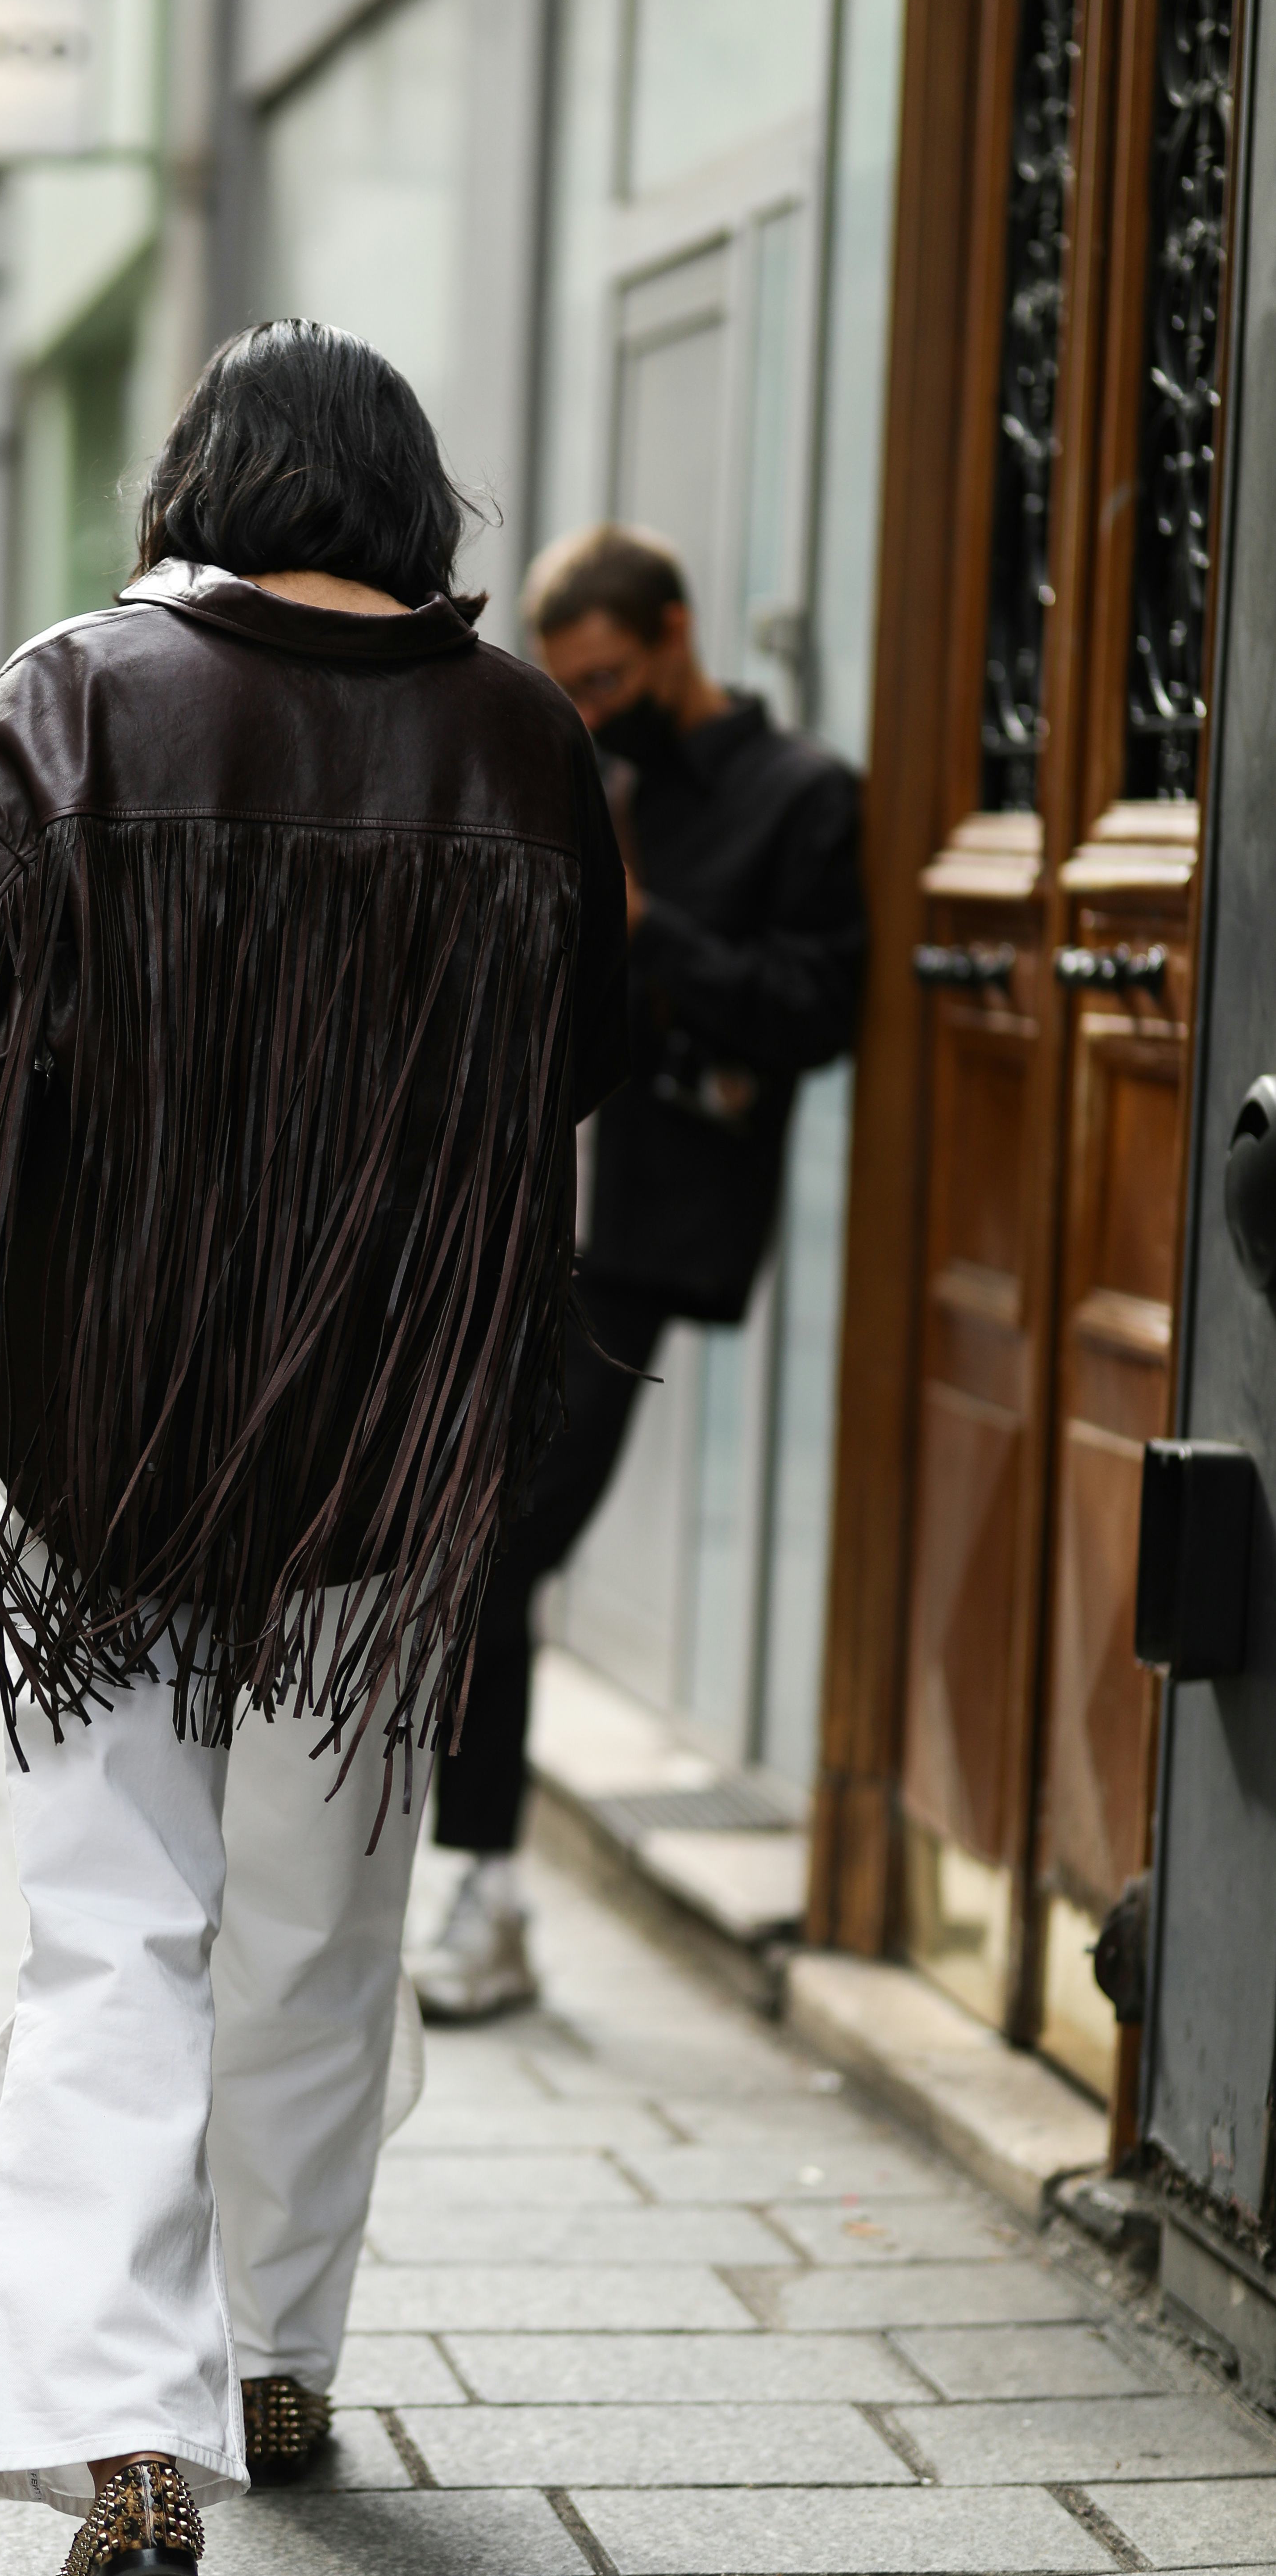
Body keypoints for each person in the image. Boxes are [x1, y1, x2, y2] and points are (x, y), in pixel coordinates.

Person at [0, 321, 628, 2576]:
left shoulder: (82, 687)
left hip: (105, 1407)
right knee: (330, 1909)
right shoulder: (532, 741)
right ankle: (278, 2367)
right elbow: (584, 1069)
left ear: (201, 481)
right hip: (389, 1426)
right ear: (408, 507)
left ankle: (125, 2436)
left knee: (110, 1917)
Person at [412, 524, 867, 2021]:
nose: (589, 705)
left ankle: (476, 1892)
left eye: (606, 674)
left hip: (640, 1235)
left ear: (673, 632)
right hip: (509, 1211)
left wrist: (646, 932)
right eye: (572, 684)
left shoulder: (802, 795)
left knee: (495, 1543)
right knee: (466, 1536)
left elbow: (811, 1008)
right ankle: (462, 1884)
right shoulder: (577, 769)